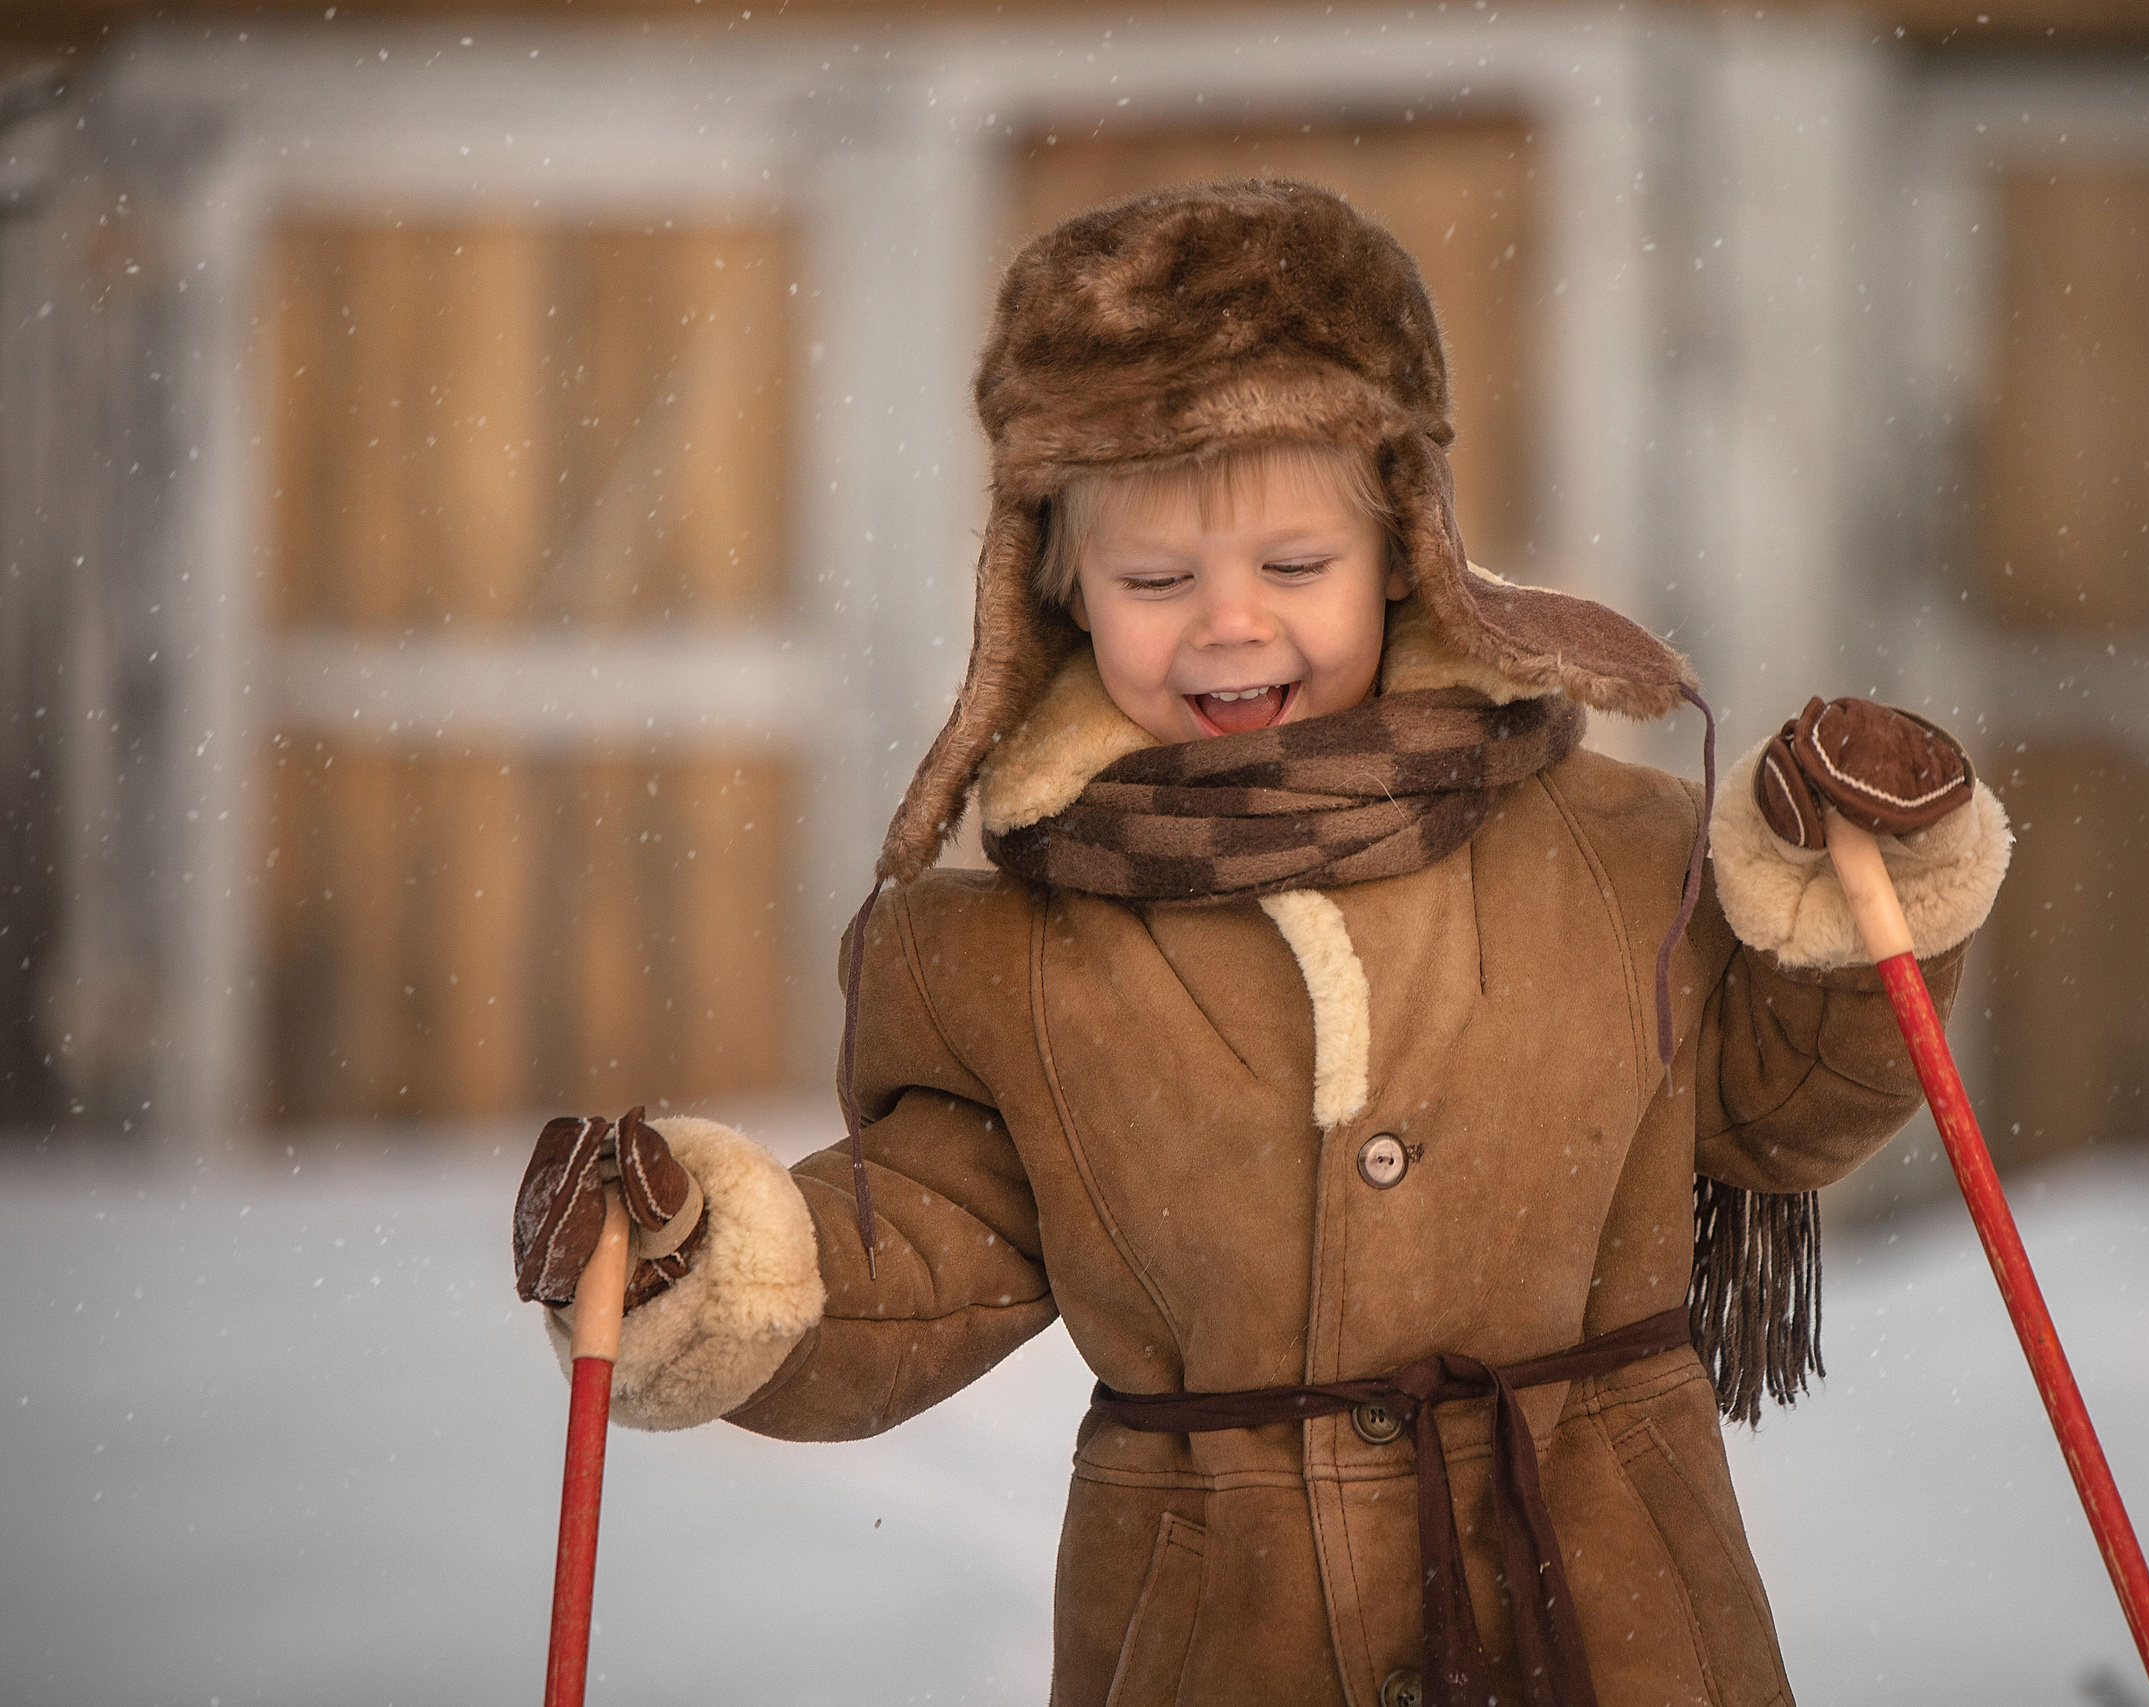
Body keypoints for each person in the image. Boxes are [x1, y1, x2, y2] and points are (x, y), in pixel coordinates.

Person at [512, 180, 2011, 1707]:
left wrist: (1853, 910)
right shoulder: (1005, 960)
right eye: (1157, 580)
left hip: (1609, 1613)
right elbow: (924, 1254)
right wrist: (701, 1260)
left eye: (1296, 568)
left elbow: (1776, 1112)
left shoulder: (1613, 854)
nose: (1229, 623)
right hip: (1221, 1636)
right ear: (1061, 593)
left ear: (1406, 555)